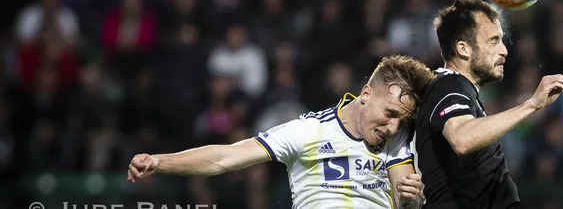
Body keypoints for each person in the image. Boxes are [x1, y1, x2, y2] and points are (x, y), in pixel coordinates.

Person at [128, 54, 435, 209]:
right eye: (390, 114)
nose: (394, 126)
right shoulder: (307, 131)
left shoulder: (395, 138)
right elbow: (224, 157)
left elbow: (404, 193)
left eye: (402, 120)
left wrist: (412, 199)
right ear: (366, 94)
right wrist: (160, 162)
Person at [413, 0, 563, 208]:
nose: (504, 51)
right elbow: (462, 138)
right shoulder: (449, 85)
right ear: (463, 49)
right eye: (493, 41)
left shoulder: (459, 92)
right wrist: (532, 104)